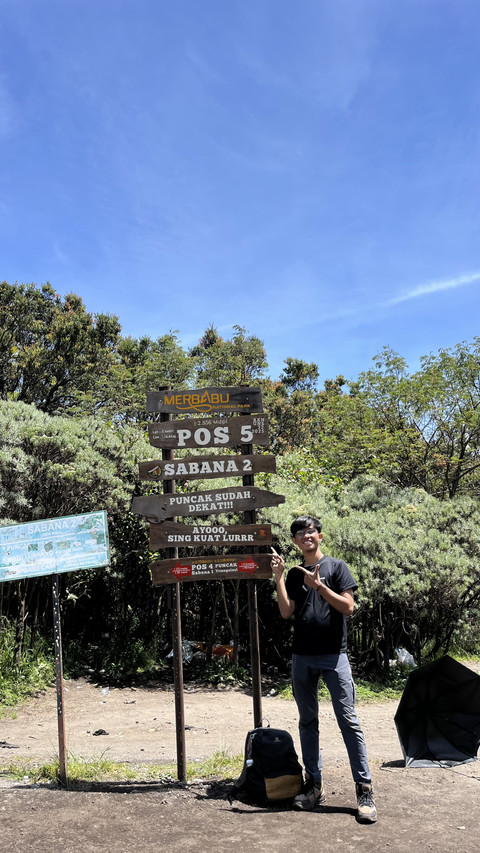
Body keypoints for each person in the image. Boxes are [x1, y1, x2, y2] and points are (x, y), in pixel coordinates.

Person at [270, 515, 377, 823]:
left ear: (320, 536)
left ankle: (364, 790)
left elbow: (348, 607)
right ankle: (313, 785)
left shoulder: (337, 568)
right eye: (300, 533)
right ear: (295, 541)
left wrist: (319, 587)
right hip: (302, 657)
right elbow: (286, 612)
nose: (306, 536)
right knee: (308, 722)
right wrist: (279, 577)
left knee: (348, 721)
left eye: (311, 531)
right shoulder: (294, 573)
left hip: (334, 657)